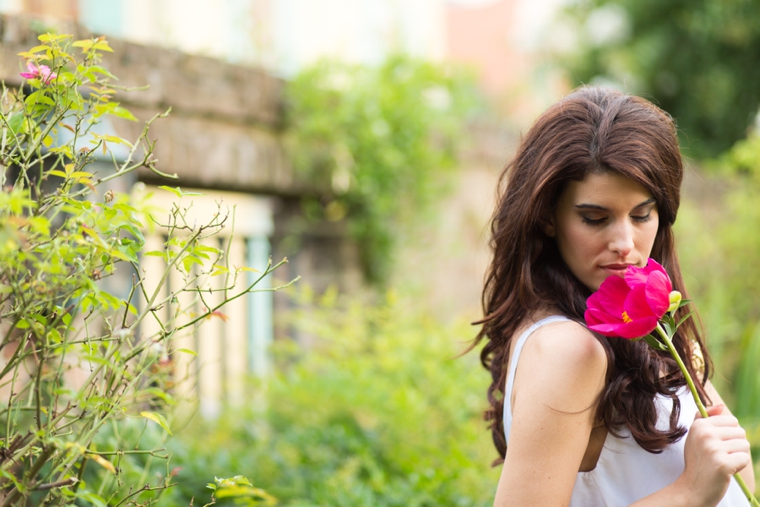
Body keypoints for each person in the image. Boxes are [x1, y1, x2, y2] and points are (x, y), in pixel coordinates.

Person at [475, 86, 755, 506]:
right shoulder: (569, 349)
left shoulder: (648, 328)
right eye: (595, 218)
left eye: (642, 214)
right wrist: (689, 492)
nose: (625, 242)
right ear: (548, 218)